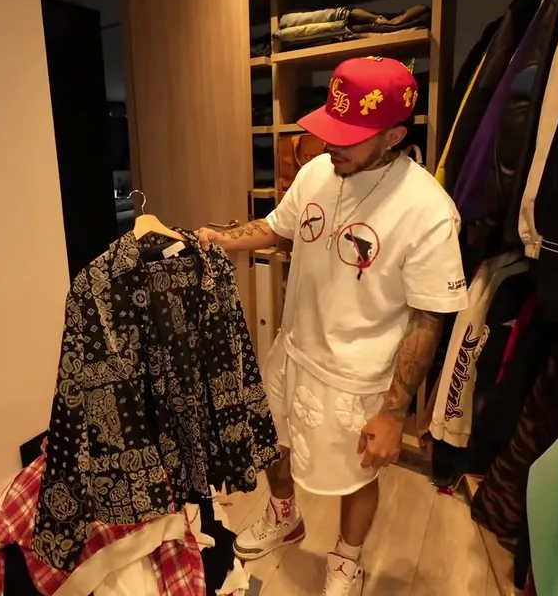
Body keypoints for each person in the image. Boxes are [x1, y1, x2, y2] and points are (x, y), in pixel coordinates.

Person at [197, 56, 468, 595]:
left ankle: (347, 558)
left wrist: (394, 413)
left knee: (356, 475)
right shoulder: (317, 171)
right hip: (294, 350)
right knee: (274, 442)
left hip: (358, 376)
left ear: (394, 136)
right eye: (330, 128)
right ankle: (284, 515)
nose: (330, 145)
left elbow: (428, 316)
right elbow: (280, 229)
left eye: (348, 136)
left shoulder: (428, 210)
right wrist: (221, 238)